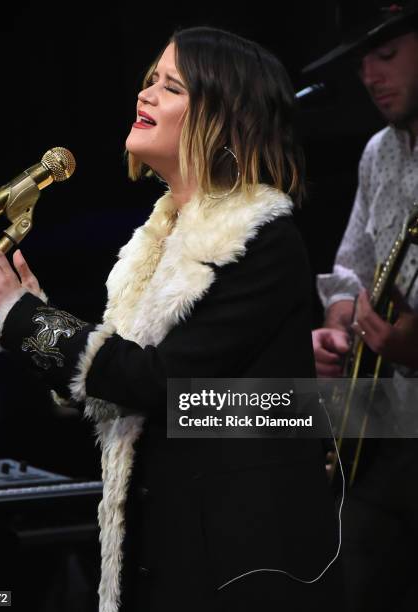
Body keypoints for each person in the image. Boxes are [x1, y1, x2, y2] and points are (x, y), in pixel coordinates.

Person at [0, 27, 342, 612]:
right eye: (150, 80)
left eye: (172, 86)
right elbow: (117, 390)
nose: (146, 94)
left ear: (222, 117)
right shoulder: (153, 244)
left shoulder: (263, 239)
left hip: (231, 562)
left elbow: (161, 384)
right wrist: (33, 319)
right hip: (165, 544)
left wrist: (28, 319)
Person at [304, 1, 418, 610]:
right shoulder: (379, 152)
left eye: (388, 54)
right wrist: (340, 325)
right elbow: (350, 267)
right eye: (362, 63)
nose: (370, 76)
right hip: (387, 429)